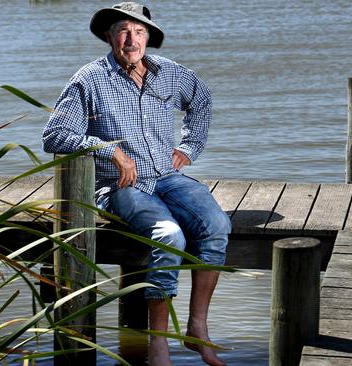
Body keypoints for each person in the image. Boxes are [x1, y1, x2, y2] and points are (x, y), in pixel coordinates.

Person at [42, 2, 230, 365]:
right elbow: (55, 135)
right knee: (169, 235)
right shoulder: (89, 80)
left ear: (149, 37)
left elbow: (202, 100)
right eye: (124, 31)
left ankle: (197, 328)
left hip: (168, 177)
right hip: (118, 187)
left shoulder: (169, 73)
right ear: (110, 37)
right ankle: (158, 343)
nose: (132, 39)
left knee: (217, 225)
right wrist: (108, 150)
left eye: (139, 31)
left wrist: (188, 148)